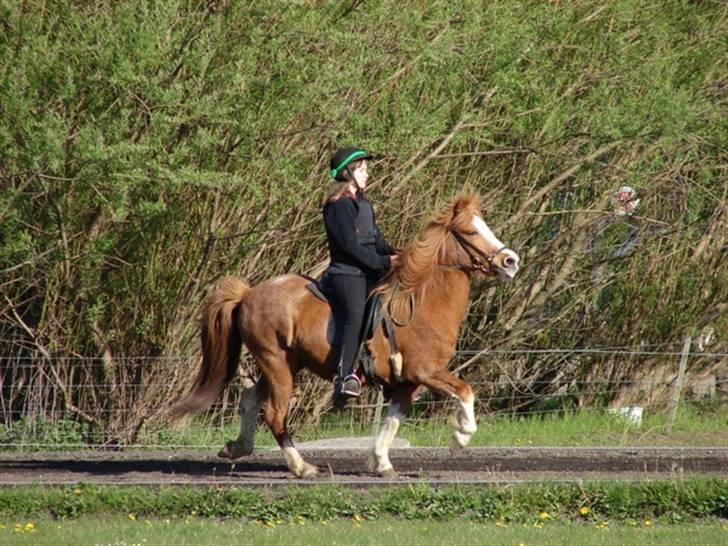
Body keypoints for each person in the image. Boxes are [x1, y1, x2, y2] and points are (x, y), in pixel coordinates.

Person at [322, 147, 398, 404]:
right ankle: (344, 377)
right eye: (362, 170)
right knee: (355, 316)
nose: (368, 174)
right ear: (348, 173)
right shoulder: (339, 206)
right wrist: (382, 262)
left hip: (369, 270)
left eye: (366, 169)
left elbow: (376, 241)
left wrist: (400, 255)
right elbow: (349, 246)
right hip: (347, 273)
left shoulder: (363, 204)